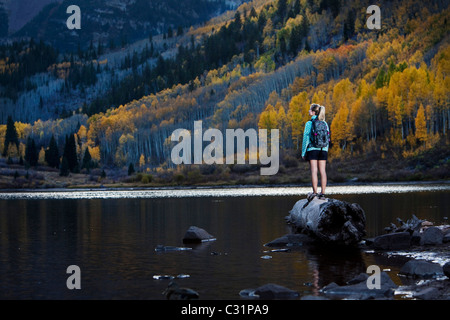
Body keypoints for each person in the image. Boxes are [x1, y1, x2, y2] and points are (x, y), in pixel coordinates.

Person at [301, 103, 329, 200]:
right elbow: (328, 138)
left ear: (313, 112)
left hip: (312, 149)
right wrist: (325, 150)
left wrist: (303, 152)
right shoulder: (325, 123)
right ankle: (323, 193)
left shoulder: (309, 123)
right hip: (323, 150)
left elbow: (306, 138)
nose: (308, 111)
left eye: (310, 110)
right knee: (323, 171)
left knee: (314, 171)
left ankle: (315, 192)